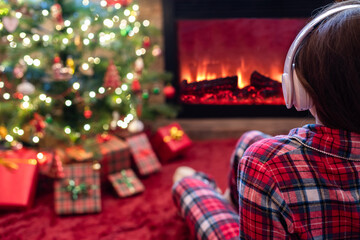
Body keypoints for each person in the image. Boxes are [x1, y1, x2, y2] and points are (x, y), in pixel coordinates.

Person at [171, 1, 360, 239]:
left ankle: (201, 188)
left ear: (299, 90)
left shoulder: (265, 163)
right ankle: (237, 200)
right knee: (249, 140)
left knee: (186, 181)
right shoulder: (268, 160)